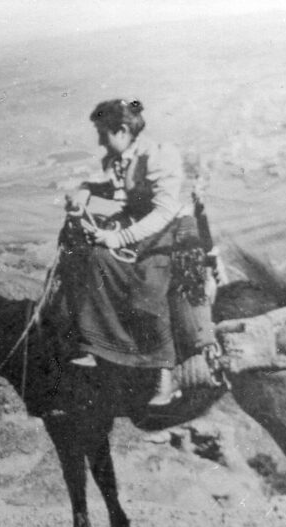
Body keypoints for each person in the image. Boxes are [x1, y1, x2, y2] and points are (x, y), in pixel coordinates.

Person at [60, 98, 196, 406]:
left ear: (122, 130)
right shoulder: (123, 157)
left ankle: (165, 369)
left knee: (150, 283)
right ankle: (100, 348)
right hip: (141, 230)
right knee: (95, 258)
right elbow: (113, 187)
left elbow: (164, 211)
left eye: (102, 133)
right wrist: (84, 192)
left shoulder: (159, 155)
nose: (99, 141)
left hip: (171, 231)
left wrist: (119, 238)